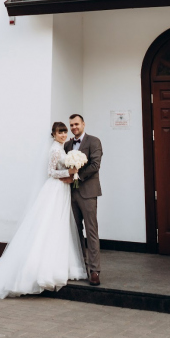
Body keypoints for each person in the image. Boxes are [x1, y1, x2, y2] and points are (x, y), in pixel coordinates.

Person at [0, 122, 87, 299]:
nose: (63, 135)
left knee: (59, 225)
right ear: (53, 134)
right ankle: (44, 268)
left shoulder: (62, 148)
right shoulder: (55, 150)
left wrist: (71, 173)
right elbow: (51, 172)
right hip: (55, 189)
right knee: (50, 223)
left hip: (62, 190)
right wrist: (69, 172)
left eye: (64, 132)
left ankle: (61, 264)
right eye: (59, 132)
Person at [64, 114, 103, 285]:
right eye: (71, 125)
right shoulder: (67, 145)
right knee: (75, 231)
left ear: (83, 124)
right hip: (71, 194)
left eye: (76, 124)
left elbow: (95, 165)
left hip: (88, 192)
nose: (74, 127)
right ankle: (81, 267)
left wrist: (76, 176)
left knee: (91, 231)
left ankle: (95, 271)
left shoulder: (94, 141)